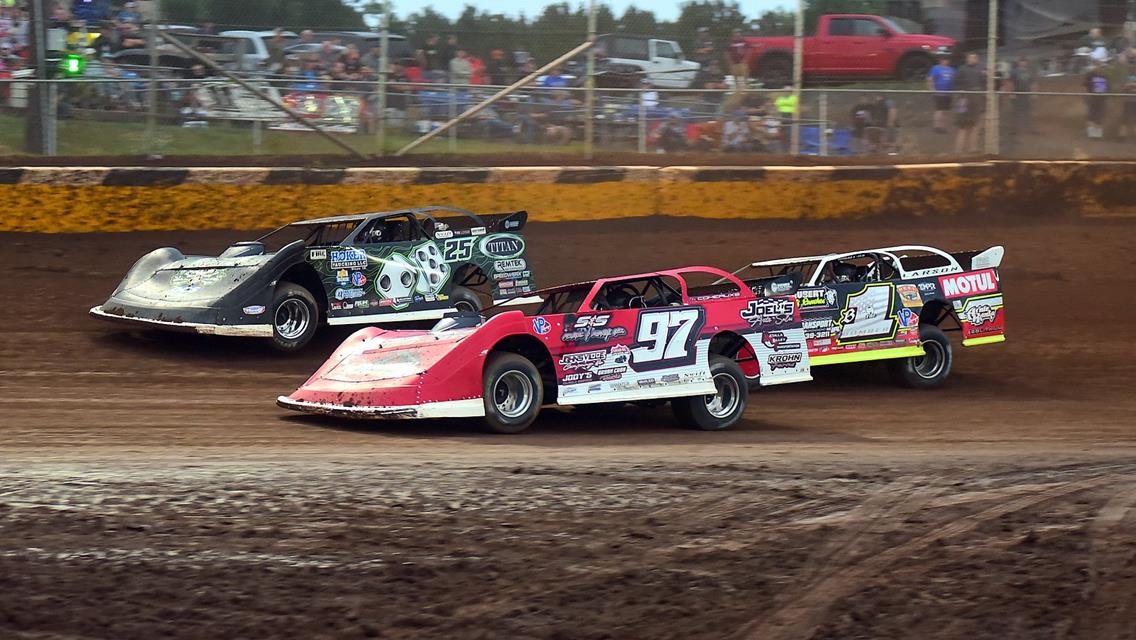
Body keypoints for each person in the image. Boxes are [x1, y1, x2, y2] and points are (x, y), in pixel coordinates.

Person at [953, 52, 986, 154]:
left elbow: (985, 82)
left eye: (974, 57)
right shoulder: (962, 69)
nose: (972, 59)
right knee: (962, 126)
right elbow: (955, 83)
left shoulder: (981, 69)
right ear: (967, 59)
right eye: (970, 57)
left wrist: (985, 75)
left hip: (976, 100)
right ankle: (958, 149)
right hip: (963, 100)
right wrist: (961, 93)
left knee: (975, 125)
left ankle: (973, 148)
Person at [1004, 57, 1038, 140]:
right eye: (1021, 61)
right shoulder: (1014, 72)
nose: (1023, 63)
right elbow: (1009, 82)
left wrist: (1034, 93)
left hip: (1027, 94)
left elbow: (1033, 83)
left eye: (1024, 61)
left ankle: (1029, 128)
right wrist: (1011, 93)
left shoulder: (1030, 72)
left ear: (1027, 63)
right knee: (1016, 112)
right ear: (1019, 62)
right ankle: (1015, 129)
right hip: (1017, 94)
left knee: (1028, 111)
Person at [927, 54, 954, 133]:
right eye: (944, 60)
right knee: (939, 109)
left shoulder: (951, 70)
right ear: (941, 61)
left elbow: (955, 79)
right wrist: (931, 88)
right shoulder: (936, 68)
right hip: (939, 92)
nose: (945, 61)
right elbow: (930, 78)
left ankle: (943, 126)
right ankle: (937, 126)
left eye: (947, 60)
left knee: (946, 110)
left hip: (948, 93)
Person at [1085, 62, 1110, 138]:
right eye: (1097, 66)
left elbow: (1108, 87)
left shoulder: (1104, 76)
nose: (1098, 68)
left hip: (1101, 98)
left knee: (1100, 117)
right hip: (1092, 98)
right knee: (1091, 116)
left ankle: (1098, 135)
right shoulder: (1090, 75)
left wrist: (1106, 94)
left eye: (1100, 67)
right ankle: (1091, 134)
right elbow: (1085, 84)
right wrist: (1092, 83)